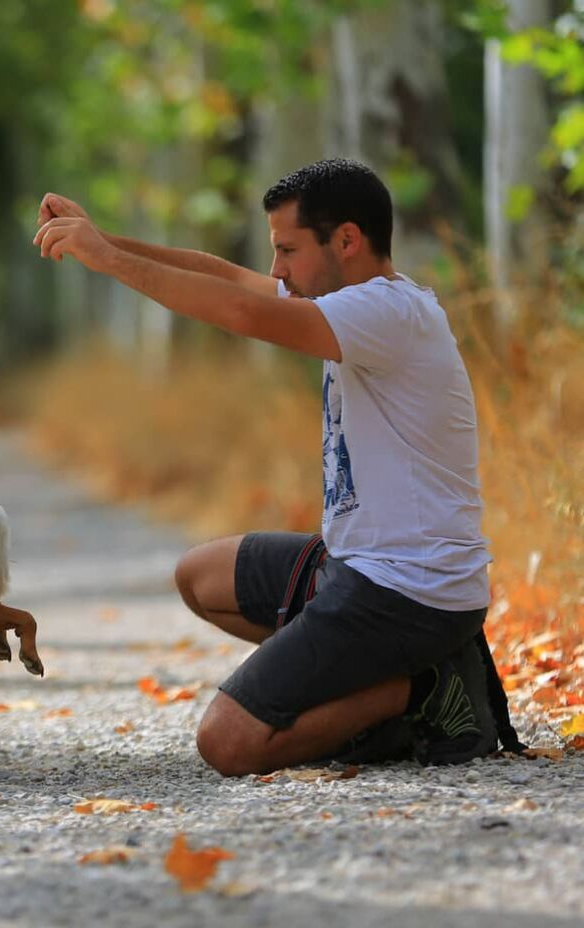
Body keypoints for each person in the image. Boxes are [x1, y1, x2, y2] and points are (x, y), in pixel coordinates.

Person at [34, 158, 520, 775]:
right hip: (355, 564)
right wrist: (102, 240)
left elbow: (242, 313)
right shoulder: (345, 297)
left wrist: (110, 261)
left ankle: (426, 693)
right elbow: (225, 278)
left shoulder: (388, 313)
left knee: (229, 744)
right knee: (200, 577)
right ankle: (367, 692)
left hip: (411, 592)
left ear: (347, 240)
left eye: (288, 249)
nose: (275, 269)